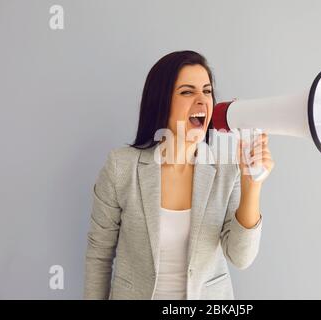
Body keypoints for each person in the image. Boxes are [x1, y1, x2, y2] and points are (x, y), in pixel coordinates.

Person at [84, 50, 274, 299]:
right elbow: (99, 255)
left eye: (207, 91)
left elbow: (241, 257)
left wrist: (252, 186)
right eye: (187, 91)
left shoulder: (228, 168)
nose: (202, 100)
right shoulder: (121, 166)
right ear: (162, 101)